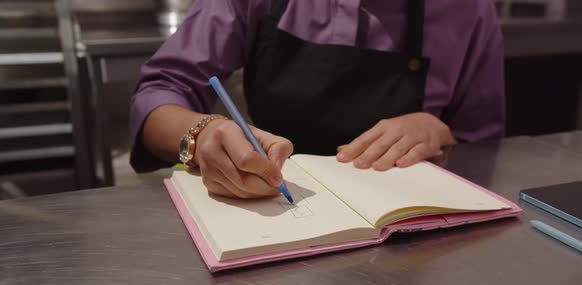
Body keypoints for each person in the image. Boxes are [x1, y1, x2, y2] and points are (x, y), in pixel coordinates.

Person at [130, 0, 505, 199]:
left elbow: (483, 145)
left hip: (410, 243)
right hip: (270, 217)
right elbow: (157, 96)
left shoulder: (468, 9)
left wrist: (440, 134)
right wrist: (202, 135)